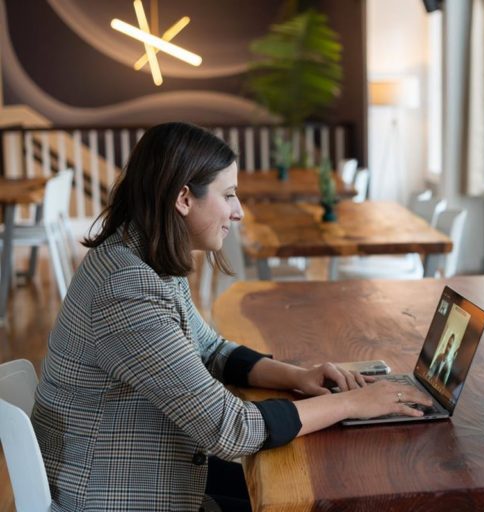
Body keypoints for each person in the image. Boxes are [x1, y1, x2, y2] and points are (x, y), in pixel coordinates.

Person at [31, 122, 432, 512]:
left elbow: (211, 350)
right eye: (229, 195)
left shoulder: (141, 257)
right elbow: (230, 429)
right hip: (115, 495)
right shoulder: (125, 287)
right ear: (184, 198)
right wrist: (353, 405)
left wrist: (299, 376)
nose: (238, 211)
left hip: (145, 472)